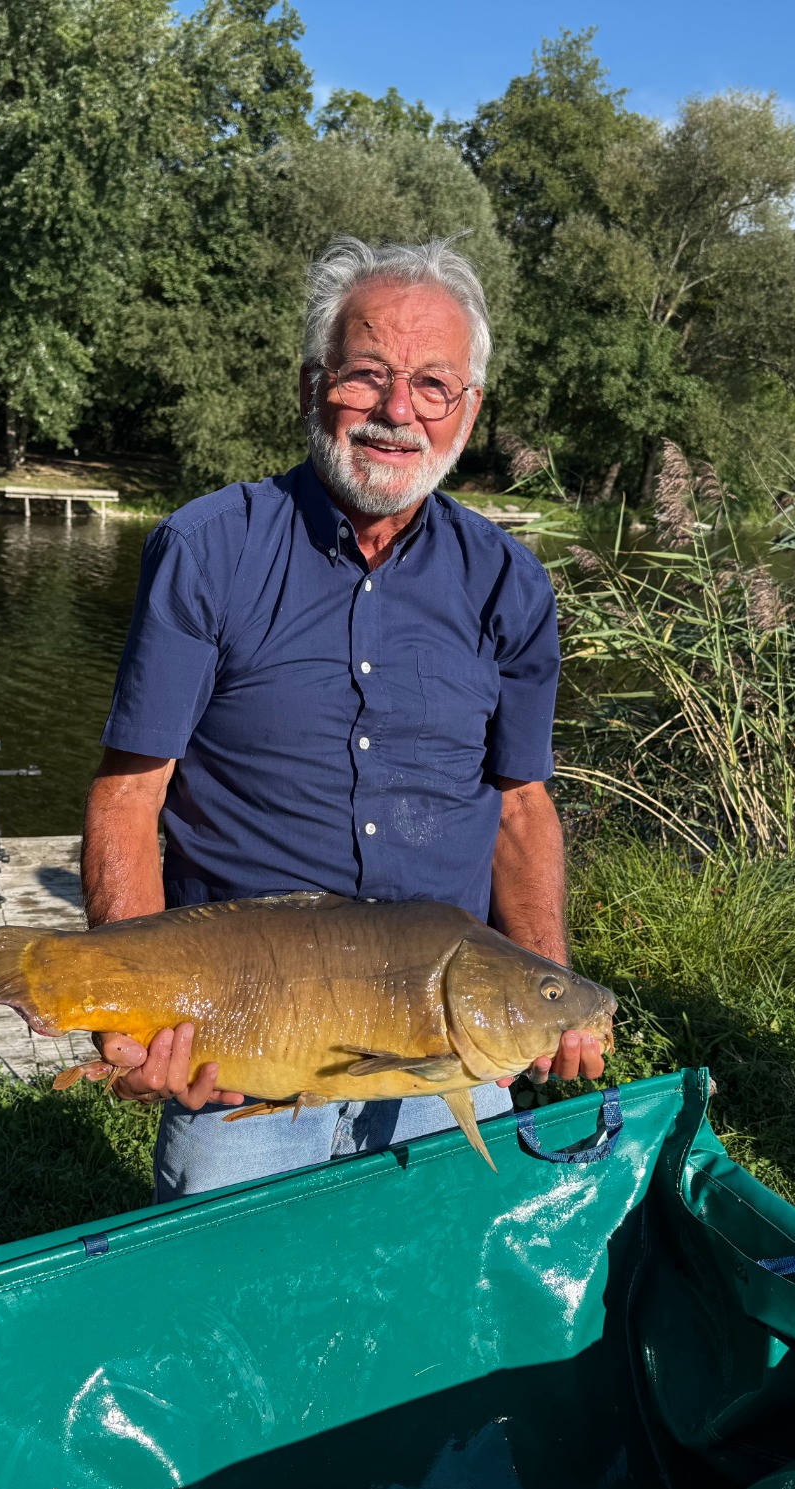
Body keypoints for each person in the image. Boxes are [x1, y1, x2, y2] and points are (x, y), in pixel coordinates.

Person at [81, 235, 604, 1201]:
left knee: (432, 1280)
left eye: (433, 385)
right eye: (368, 375)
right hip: (238, 1030)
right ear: (312, 385)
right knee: (240, 1285)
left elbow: (522, 808)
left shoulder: (509, 584)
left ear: (468, 410)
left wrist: (548, 991)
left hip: (445, 1042)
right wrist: (128, 1011)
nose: (398, 412)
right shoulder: (207, 549)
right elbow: (129, 795)